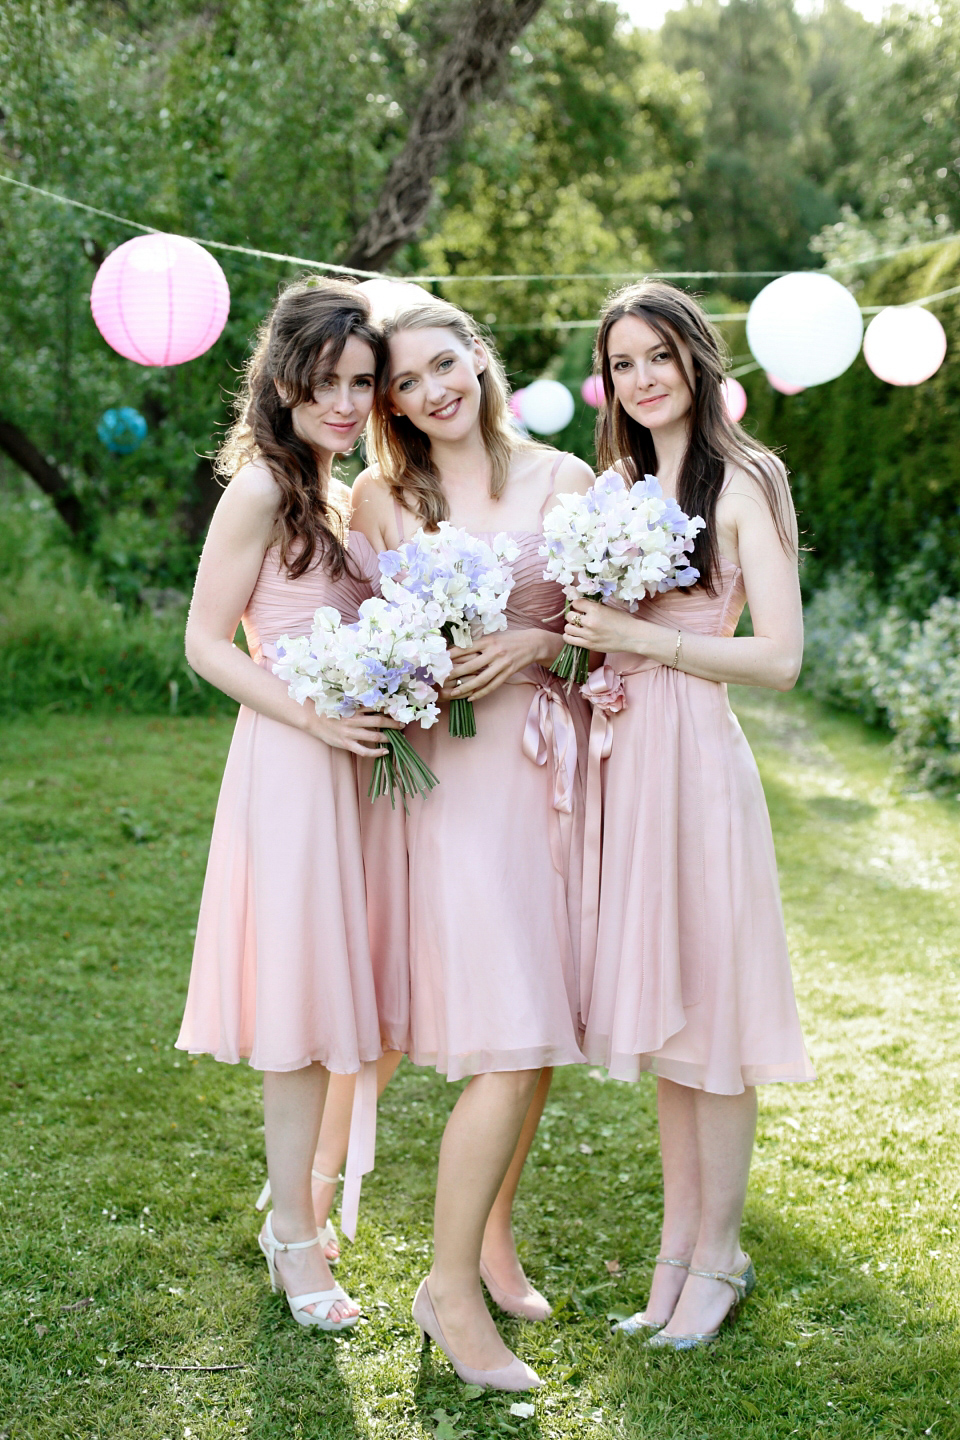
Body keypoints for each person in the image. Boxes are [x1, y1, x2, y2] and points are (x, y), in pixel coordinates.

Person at [566, 280, 814, 1350]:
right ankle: (675, 1258)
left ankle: (721, 1254)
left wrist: (650, 639)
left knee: (713, 1022)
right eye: (623, 362)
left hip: (699, 761)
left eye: (659, 354)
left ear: (697, 358)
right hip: (628, 762)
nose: (643, 377)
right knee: (668, 1028)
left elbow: (781, 659)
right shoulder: (619, 483)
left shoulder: (746, 479)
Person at [351, 298, 594, 1391]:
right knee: (507, 1035)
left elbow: (605, 644)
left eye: (443, 365)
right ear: (389, 402)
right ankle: (446, 1289)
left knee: (537, 1032)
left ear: (478, 357)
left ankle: (492, 1246)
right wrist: (413, 660)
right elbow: (352, 643)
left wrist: (541, 641)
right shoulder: (383, 494)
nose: (430, 391)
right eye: (403, 383)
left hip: (553, 773)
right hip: (451, 783)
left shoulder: (567, 480)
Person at [177, 278, 397, 1330]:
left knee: (349, 1003)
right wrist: (314, 719)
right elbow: (205, 643)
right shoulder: (264, 487)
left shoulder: (337, 486)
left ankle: (301, 1203)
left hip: (355, 762)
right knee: (302, 1012)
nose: (347, 401)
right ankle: (295, 1242)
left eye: (362, 382)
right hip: (293, 761)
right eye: (328, 382)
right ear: (283, 379)